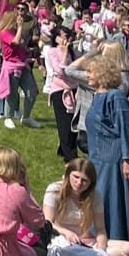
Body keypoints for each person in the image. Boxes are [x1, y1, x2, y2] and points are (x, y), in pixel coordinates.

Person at [85, 55, 129, 249]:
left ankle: (116, 238)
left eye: (90, 71)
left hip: (113, 158)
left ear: (102, 74)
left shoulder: (116, 97)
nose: (87, 75)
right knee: (98, 198)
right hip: (97, 158)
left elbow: (125, 130)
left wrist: (127, 159)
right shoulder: (97, 96)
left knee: (111, 199)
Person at [42, 156, 129, 256]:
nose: (78, 183)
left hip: (87, 241)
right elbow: (48, 223)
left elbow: (100, 230)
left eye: (84, 180)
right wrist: (65, 232)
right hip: (61, 239)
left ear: (91, 183)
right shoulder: (54, 190)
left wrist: (101, 248)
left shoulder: (95, 196)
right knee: (64, 249)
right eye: (76, 177)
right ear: (68, 175)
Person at [0, 9, 41, 129]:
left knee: (32, 91)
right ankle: (8, 117)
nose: (19, 19)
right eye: (17, 18)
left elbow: (21, 46)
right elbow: (15, 42)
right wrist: (20, 27)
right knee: (12, 94)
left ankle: (26, 117)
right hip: (11, 67)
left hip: (22, 65)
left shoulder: (15, 31)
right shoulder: (5, 32)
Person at [43, 25, 80, 162]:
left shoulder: (74, 52)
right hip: (60, 91)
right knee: (64, 124)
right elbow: (59, 71)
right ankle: (70, 157)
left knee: (74, 124)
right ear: (57, 38)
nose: (68, 39)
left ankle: (64, 149)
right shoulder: (52, 52)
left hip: (75, 91)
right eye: (65, 36)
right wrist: (64, 54)